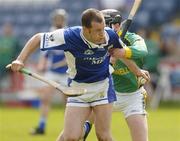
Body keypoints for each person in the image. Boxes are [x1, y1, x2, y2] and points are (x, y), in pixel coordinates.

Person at [8, 8, 149, 141]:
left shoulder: (109, 35)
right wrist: (20, 59)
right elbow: (38, 38)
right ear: (86, 30)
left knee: (103, 136)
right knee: (70, 137)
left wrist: (137, 71)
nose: (102, 34)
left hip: (103, 88)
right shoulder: (69, 36)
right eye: (98, 31)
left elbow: (120, 53)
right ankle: (83, 127)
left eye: (103, 28)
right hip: (78, 90)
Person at [82, 9, 149, 141]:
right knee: (85, 134)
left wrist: (123, 51)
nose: (100, 32)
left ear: (116, 25)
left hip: (132, 96)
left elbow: (142, 51)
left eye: (103, 26)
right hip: (106, 93)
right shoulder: (95, 42)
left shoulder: (131, 38)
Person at [31, 9, 68, 135]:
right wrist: (41, 66)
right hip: (52, 73)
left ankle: (68, 129)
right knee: (45, 98)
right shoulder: (49, 34)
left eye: (60, 18)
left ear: (64, 20)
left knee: (67, 103)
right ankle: (41, 126)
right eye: (57, 18)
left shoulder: (68, 34)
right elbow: (45, 54)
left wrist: (62, 63)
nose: (58, 20)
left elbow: (70, 56)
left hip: (67, 73)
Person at [0, 22, 22, 92]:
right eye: (6, 28)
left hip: (11, 63)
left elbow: (20, 51)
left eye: (9, 28)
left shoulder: (14, 40)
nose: (7, 30)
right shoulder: (1, 39)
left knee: (13, 79)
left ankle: (14, 93)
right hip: (1, 64)